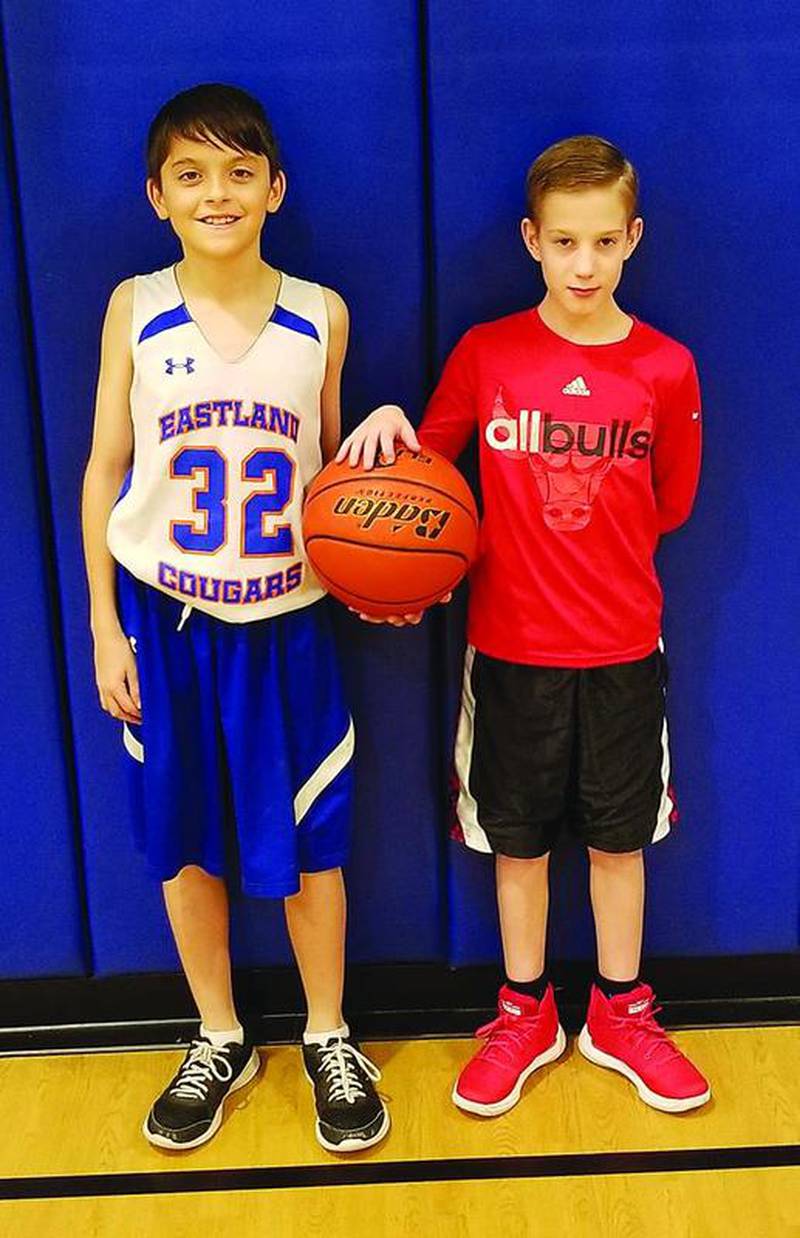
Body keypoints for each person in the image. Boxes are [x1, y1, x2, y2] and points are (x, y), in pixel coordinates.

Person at [338, 135, 711, 1116]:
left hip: (624, 645)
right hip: (506, 648)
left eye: (600, 241)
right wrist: (383, 420)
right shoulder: (486, 353)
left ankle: (621, 1009)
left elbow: (670, 502)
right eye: (561, 242)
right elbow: (425, 474)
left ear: (631, 238)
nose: (582, 264)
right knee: (518, 840)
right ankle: (525, 1009)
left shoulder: (665, 368)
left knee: (617, 839)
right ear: (529, 242)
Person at [82, 83, 390, 1152]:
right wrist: (102, 625)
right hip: (168, 629)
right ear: (156, 195)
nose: (217, 191)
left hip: (290, 628)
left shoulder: (322, 311)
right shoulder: (132, 305)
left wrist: (386, 446)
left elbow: (340, 483)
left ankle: (326, 1032)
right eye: (191, 173)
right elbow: (104, 470)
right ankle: (217, 1033)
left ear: (275, 188)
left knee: (313, 846)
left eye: (239, 171)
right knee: (186, 847)